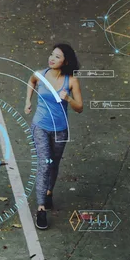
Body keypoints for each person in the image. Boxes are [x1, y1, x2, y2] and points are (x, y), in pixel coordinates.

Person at [25, 44, 83, 230]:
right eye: (51, 55)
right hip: (40, 125)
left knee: (54, 163)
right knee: (44, 163)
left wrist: (68, 99)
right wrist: (28, 101)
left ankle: (49, 192)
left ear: (65, 61)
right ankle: (41, 209)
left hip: (60, 130)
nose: (52, 58)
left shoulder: (71, 81)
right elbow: (31, 81)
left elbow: (80, 108)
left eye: (57, 57)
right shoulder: (40, 74)